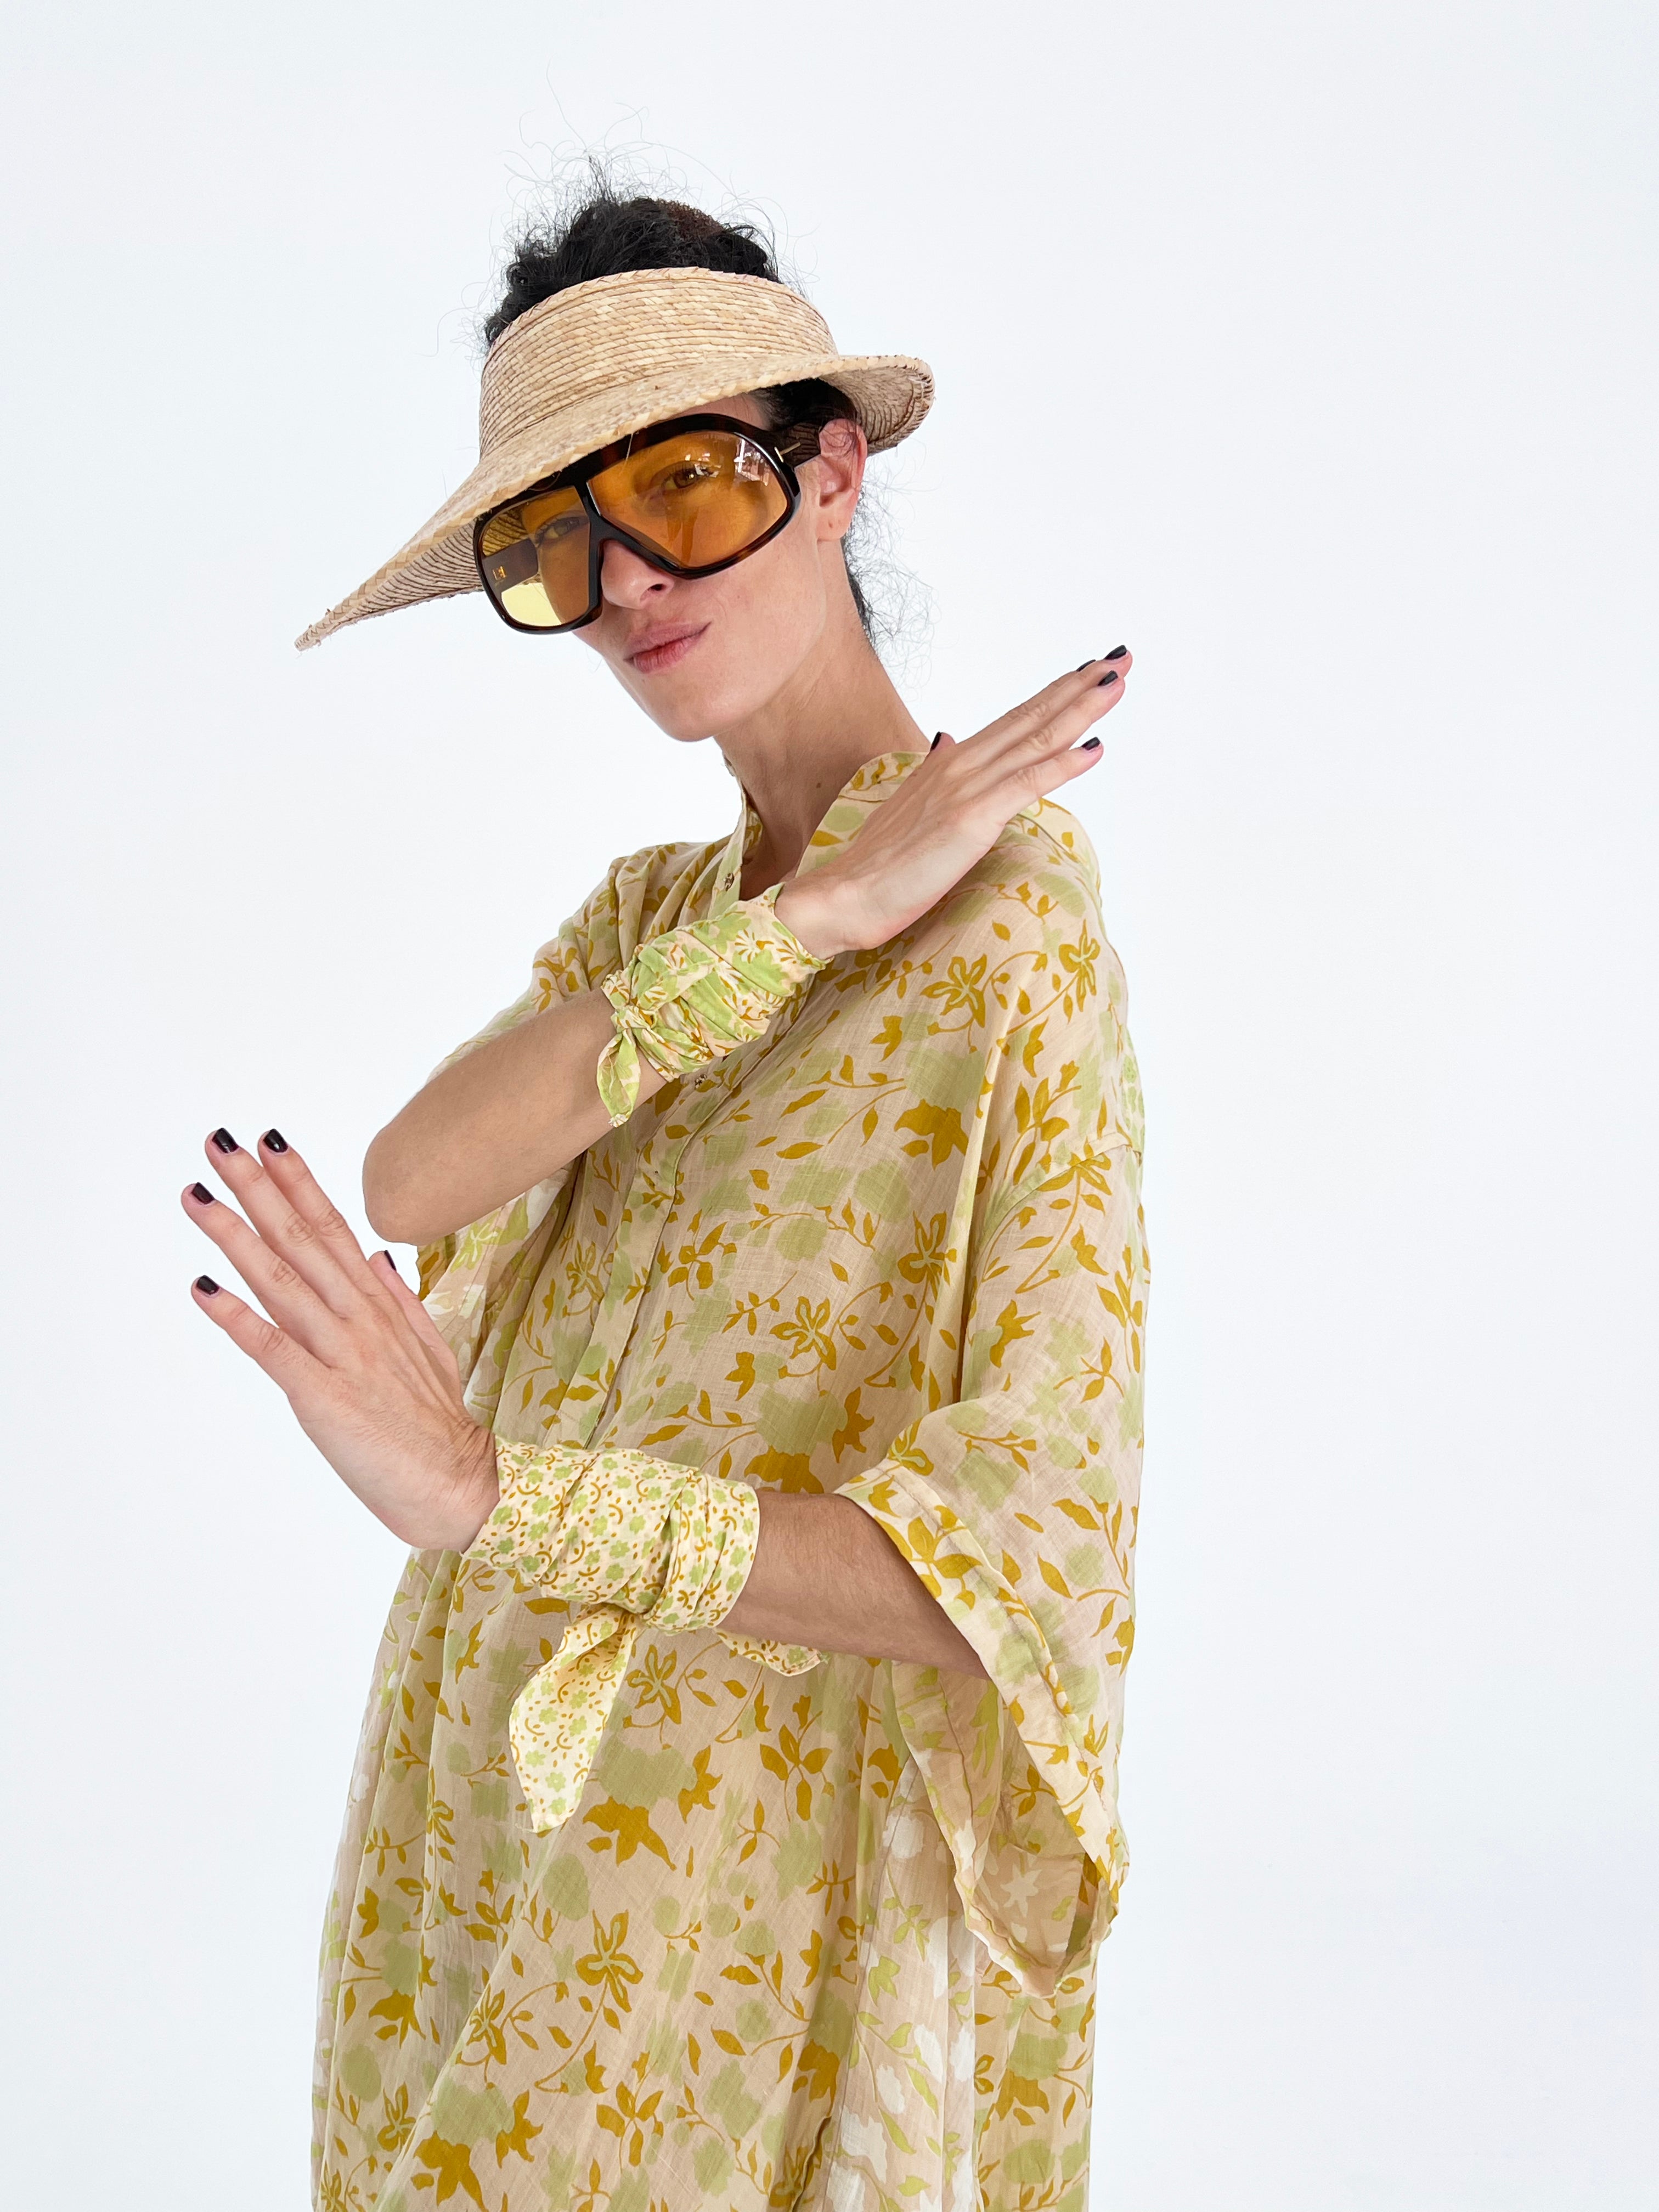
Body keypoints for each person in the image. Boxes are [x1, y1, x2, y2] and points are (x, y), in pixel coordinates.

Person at [183, 188, 1148, 2212]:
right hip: (476, 1824)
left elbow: (1018, 1572)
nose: (627, 583)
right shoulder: (656, 925)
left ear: (832, 472)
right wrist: (797, 925)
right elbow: (412, 1173)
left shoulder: (1014, 934)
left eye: (682, 490)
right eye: (558, 544)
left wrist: (501, 1501)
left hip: (750, 1883)